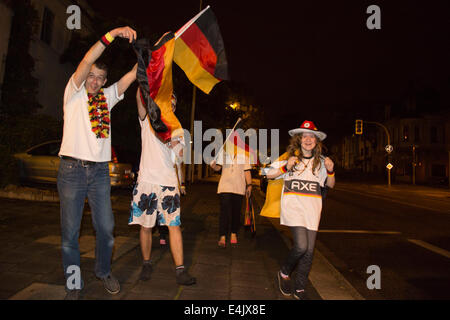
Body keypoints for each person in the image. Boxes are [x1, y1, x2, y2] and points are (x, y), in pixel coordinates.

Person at [57, 26, 138, 300]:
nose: (93, 81)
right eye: (91, 76)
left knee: (106, 229)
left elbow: (129, 78)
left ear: (104, 82)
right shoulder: (74, 93)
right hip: (71, 171)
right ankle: (73, 285)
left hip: (100, 173)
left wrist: (152, 58)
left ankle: (103, 272)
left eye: (99, 78)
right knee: (70, 234)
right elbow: (86, 60)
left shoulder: (107, 97)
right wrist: (114, 34)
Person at [128, 88, 195, 286]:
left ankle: (181, 270)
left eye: (173, 104)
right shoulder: (147, 119)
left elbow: (182, 157)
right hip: (147, 180)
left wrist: (171, 142)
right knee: (146, 226)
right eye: (167, 102)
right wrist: (145, 76)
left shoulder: (178, 128)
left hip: (168, 183)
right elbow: (140, 100)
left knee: (174, 226)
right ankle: (147, 263)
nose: (170, 106)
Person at [264, 120, 335, 300]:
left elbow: (330, 185)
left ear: (317, 141)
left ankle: (300, 288)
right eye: (305, 136)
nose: (308, 139)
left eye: (312, 136)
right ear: (299, 139)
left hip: (312, 211)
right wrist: (285, 167)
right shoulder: (290, 158)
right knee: (301, 246)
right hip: (294, 209)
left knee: (309, 252)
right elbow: (266, 173)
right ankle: (284, 272)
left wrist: (331, 171)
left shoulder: (321, 162)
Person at [210, 143, 252, 248]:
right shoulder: (223, 154)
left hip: (239, 187)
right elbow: (218, 168)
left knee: (236, 212)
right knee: (224, 211)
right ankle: (222, 235)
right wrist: (213, 165)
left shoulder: (244, 155)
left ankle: (233, 233)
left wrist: (250, 185)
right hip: (225, 186)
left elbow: (247, 171)